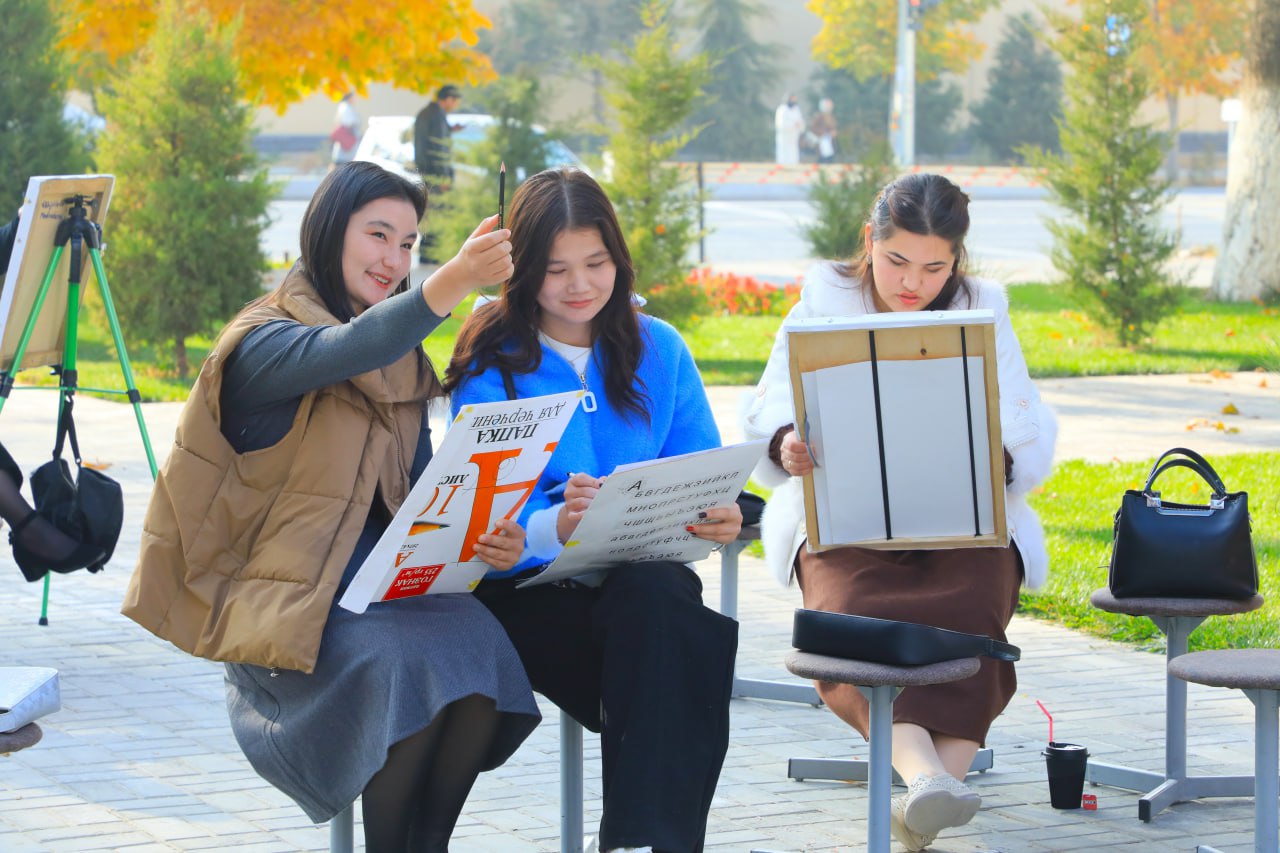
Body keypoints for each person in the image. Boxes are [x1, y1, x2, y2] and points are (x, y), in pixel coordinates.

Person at [121, 161, 540, 852]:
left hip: (377, 592)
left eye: (408, 244)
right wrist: (457, 279)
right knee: (399, 664)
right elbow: (347, 349)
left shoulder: (402, 358)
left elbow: (422, 494)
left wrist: (486, 531)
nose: (393, 259)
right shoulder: (264, 340)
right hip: (285, 609)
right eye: (378, 235)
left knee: (478, 646)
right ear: (327, 229)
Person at [742, 173, 1058, 851]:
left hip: (963, 517)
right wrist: (786, 443)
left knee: (975, 615)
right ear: (869, 240)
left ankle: (927, 797)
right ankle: (929, 781)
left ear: (957, 259)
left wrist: (996, 456)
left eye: (935, 267)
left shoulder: (981, 309)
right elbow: (770, 406)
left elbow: (1022, 418)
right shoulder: (822, 302)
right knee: (846, 622)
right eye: (897, 261)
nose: (913, 282)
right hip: (844, 519)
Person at [444, 167, 741, 853]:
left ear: (619, 259)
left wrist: (719, 518)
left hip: (639, 590)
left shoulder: (659, 348)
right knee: (676, 655)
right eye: (555, 269)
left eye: (596, 263)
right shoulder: (492, 361)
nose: (579, 284)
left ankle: (638, 844)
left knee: (658, 600)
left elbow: (700, 470)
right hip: (529, 599)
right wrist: (555, 526)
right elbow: (482, 516)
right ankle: (650, 843)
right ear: (521, 270)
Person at [414, 85, 463, 265]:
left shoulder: (426, 113)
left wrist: (450, 129)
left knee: (429, 213)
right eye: (455, 101)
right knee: (437, 214)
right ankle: (431, 254)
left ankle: (427, 252)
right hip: (436, 175)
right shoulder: (437, 115)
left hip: (426, 172)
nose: (455, 105)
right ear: (448, 99)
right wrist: (443, 177)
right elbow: (438, 148)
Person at [329, 92, 361, 170]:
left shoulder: (345, 106)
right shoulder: (345, 107)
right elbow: (349, 122)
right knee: (343, 161)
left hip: (346, 138)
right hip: (347, 137)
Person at [774, 93, 804, 165]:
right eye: (792, 99)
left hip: (793, 136)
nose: (793, 101)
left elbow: (801, 122)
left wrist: (800, 126)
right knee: (783, 153)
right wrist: (793, 125)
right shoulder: (782, 109)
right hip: (784, 136)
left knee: (793, 153)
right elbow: (780, 124)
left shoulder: (796, 109)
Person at [810, 97, 838, 164]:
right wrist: (824, 133)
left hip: (829, 140)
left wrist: (833, 132)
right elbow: (813, 128)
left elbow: (833, 127)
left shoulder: (830, 116)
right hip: (822, 139)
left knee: (829, 156)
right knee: (824, 157)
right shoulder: (819, 116)